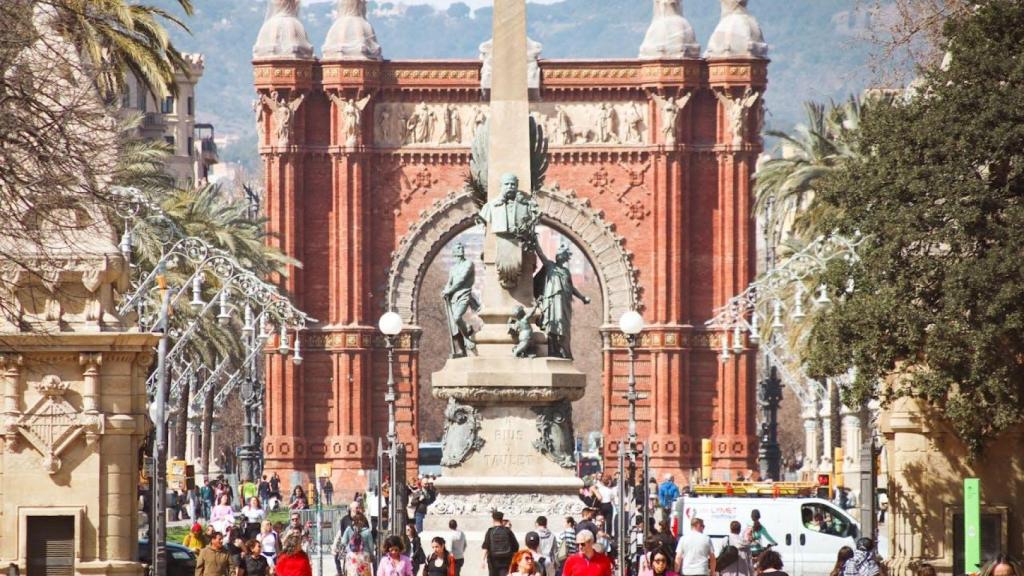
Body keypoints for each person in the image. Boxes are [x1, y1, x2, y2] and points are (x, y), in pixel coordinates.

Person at [483, 510, 519, 576]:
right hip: (506, 560)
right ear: (502, 519)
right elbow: (516, 546)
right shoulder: (508, 531)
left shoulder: (490, 531)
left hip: (492, 561)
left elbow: (486, 546)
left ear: (493, 520)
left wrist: (482, 560)